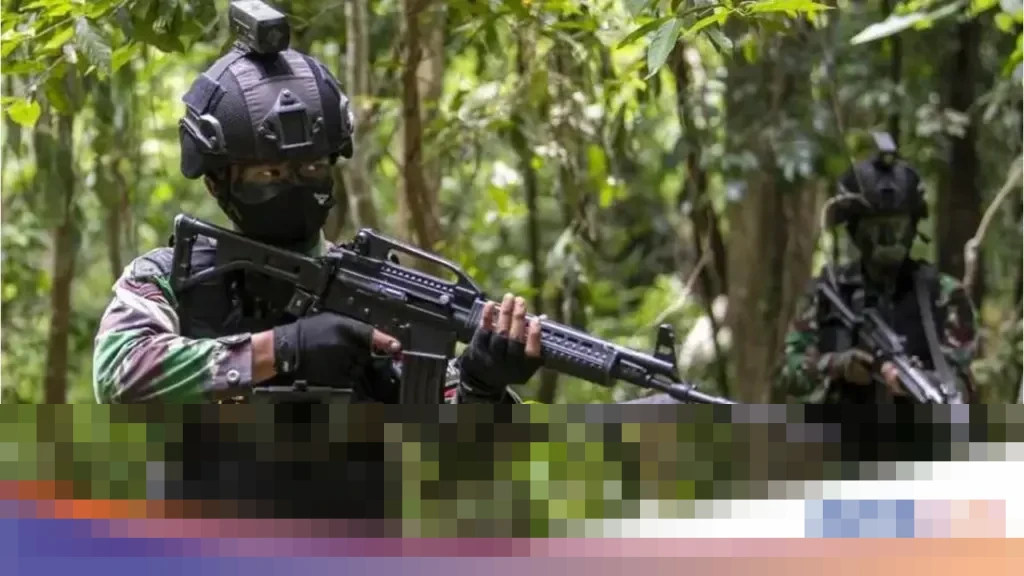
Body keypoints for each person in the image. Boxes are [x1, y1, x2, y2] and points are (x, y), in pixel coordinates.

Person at [92, 32, 541, 404]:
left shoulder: (373, 291)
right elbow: (118, 374)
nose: (294, 185)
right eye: (269, 173)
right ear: (216, 183)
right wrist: (284, 348)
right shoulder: (169, 278)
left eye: (311, 168)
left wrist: (481, 384)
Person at [778, 133, 979, 404]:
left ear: (912, 228)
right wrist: (838, 365)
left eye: (898, 226)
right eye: (877, 228)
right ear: (855, 231)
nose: (889, 239)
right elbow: (789, 375)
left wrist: (923, 383)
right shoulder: (827, 293)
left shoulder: (944, 295)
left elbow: (963, 382)